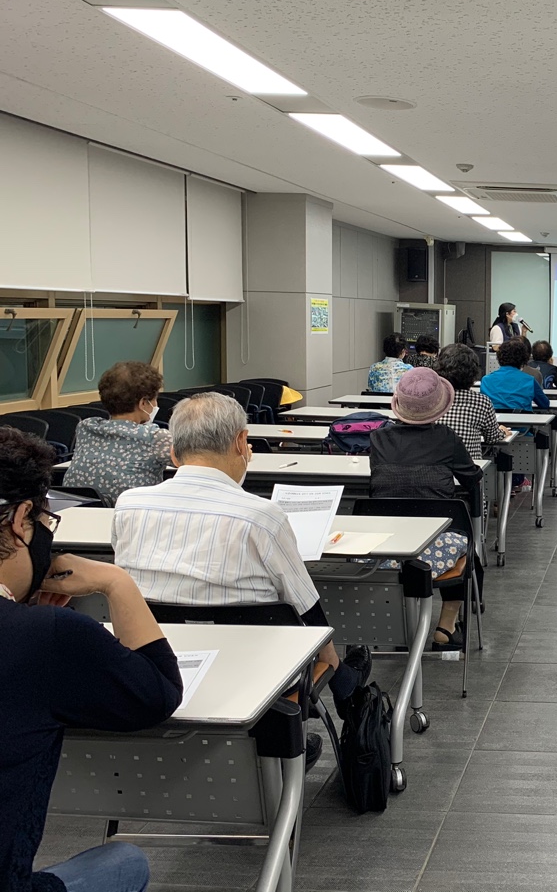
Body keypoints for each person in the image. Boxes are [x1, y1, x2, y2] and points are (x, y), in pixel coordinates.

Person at [112, 393, 365, 764]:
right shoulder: (261, 515)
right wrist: (332, 662)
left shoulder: (129, 504)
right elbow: (305, 606)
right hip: (257, 673)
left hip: (158, 666)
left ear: (174, 454)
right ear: (241, 442)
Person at [0, 425, 182, 892]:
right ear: (20, 520)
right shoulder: (47, 636)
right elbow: (158, 694)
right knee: (125, 860)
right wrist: (115, 582)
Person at [370, 368, 481, 651]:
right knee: (461, 540)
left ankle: (400, 623)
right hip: (437, 542)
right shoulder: (446, 438)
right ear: (439, 405)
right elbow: (472, 478)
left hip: (385, 544)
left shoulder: (378, 439)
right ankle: (446, 627)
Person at [63, 360, 172, 505]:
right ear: (143, 403)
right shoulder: (155, 437)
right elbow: (193, 462)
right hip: (132, 512)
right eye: (155, 399)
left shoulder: (86, 428)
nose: (156, 404)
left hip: (76, 511)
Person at [436, 344, 511, 459]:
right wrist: (502, 431)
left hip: (435, 467)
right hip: (469, 467)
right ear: (473, 372)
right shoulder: (482, 402)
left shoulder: (432, 400)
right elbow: (492, 438)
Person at [481, 338, 550, 411]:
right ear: (524, 359)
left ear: (499, 357)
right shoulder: (530, 381)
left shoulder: (486, 380)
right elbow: (545, 404)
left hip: (495, 418)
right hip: (523, 418)